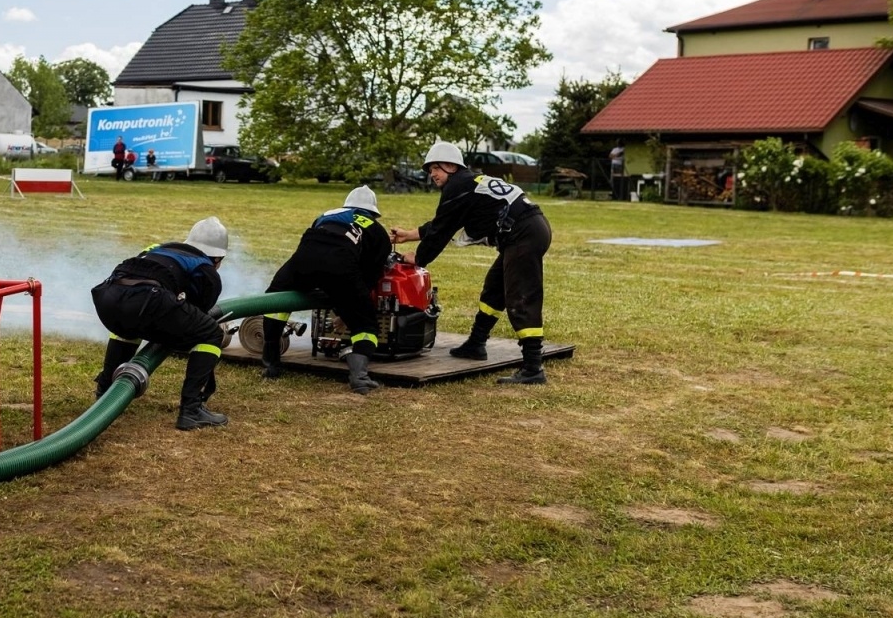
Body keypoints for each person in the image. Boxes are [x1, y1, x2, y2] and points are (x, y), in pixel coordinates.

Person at [390, 141, 553, 385]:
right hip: (528, 229)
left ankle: (533, 368)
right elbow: (443, 222)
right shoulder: (469, 183)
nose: (432, 174)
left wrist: (419, 257)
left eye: (436, 168)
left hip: (524, 233)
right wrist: (409, 234)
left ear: (451, 166)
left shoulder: (457, 186)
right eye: (430, 169)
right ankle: (476, 344)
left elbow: (442, 229)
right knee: (494, 288)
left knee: (521, 298)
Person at [91, 218, 230, 430]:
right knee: (210, 333)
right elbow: (198, 316)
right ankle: (192, 410)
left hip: (108, 299)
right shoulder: (206, 268)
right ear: (218, 258)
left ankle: (104, 391)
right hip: (148, 301)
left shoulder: (157, 248)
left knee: (129, 324)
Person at [261, 185, 391, 394]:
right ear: (374, 213)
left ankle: (271, 364)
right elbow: (369, 276)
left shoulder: (327, 214)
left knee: (276, 300)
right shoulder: (377, 231)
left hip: (303, 259)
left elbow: (318, 246)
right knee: (365, 324)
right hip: (340, 265)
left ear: (347, 205)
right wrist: (349, 310)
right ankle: (360, 377)